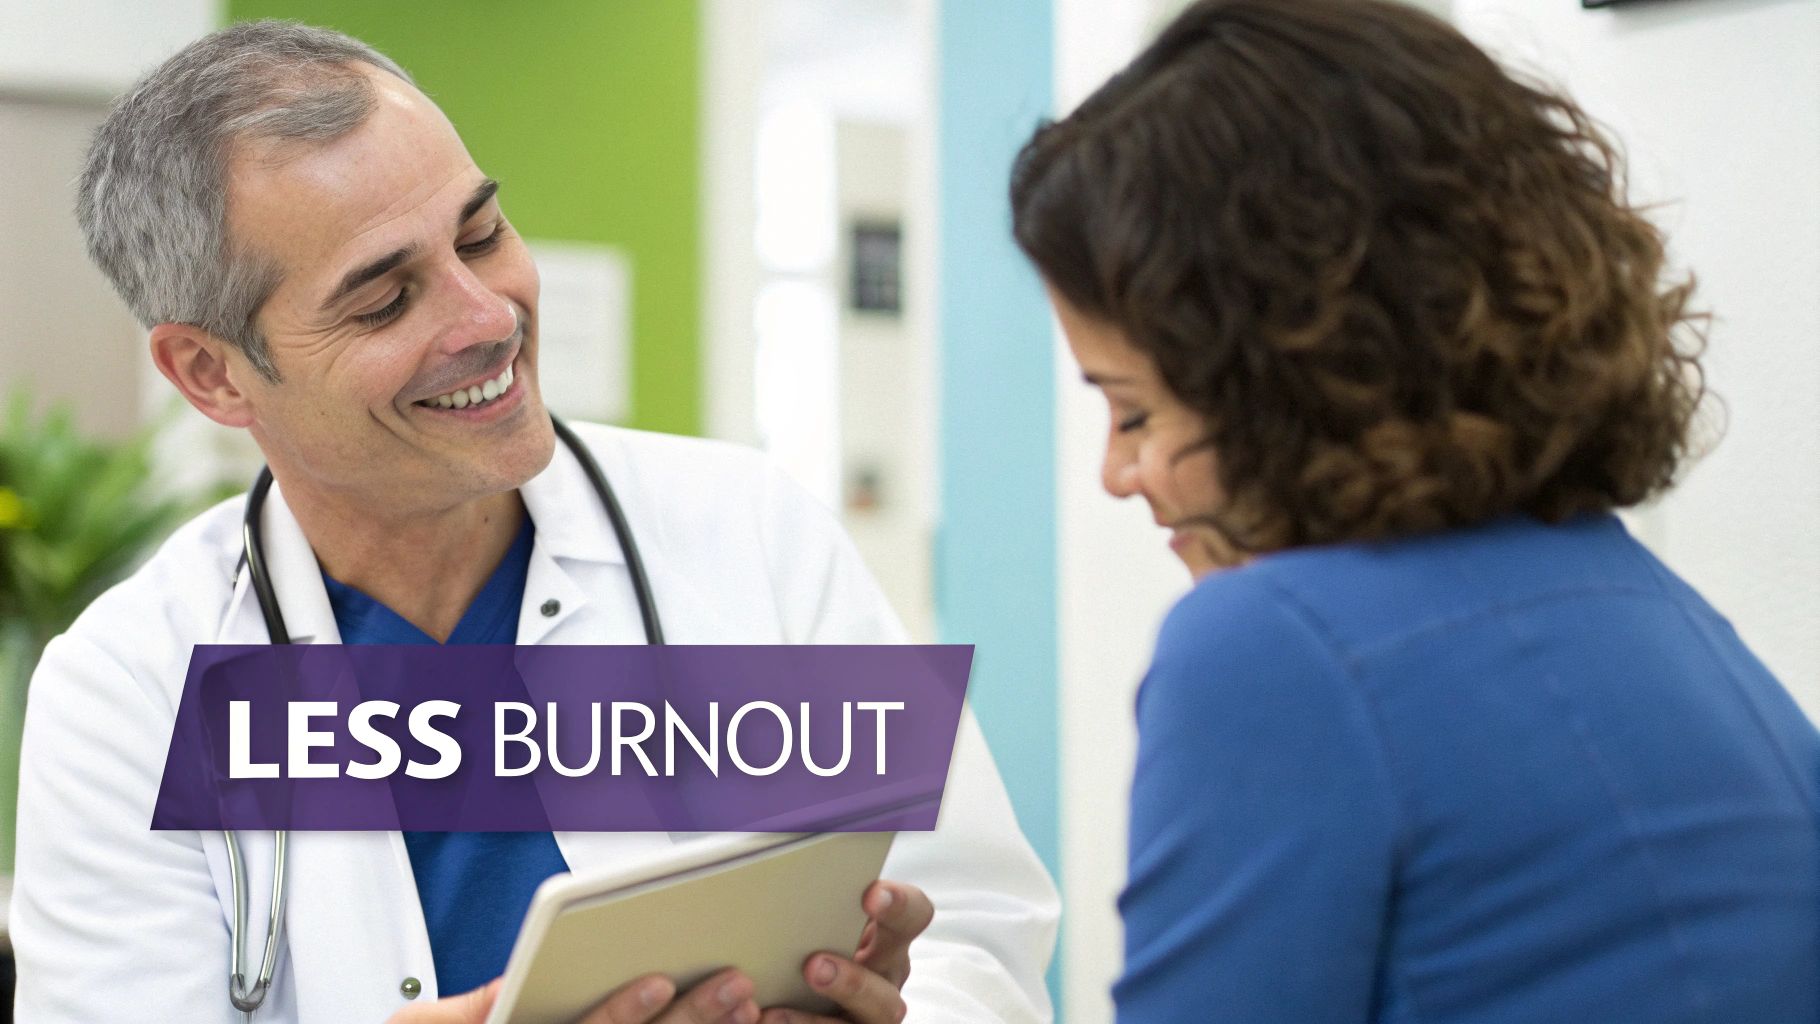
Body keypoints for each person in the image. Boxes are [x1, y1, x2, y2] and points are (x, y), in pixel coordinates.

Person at [12, 21, 1058, 1023]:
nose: (488, 317)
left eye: (482, 233)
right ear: (212, 372)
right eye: (383, 301)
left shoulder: (750, 536)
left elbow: (973, 921)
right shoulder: (130, 694)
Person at [1010, 0, 1819, 1020]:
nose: (1113, 474)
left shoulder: (1269, 647)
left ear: (1286, 369)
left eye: (1131, 411)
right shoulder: (1660, 613)